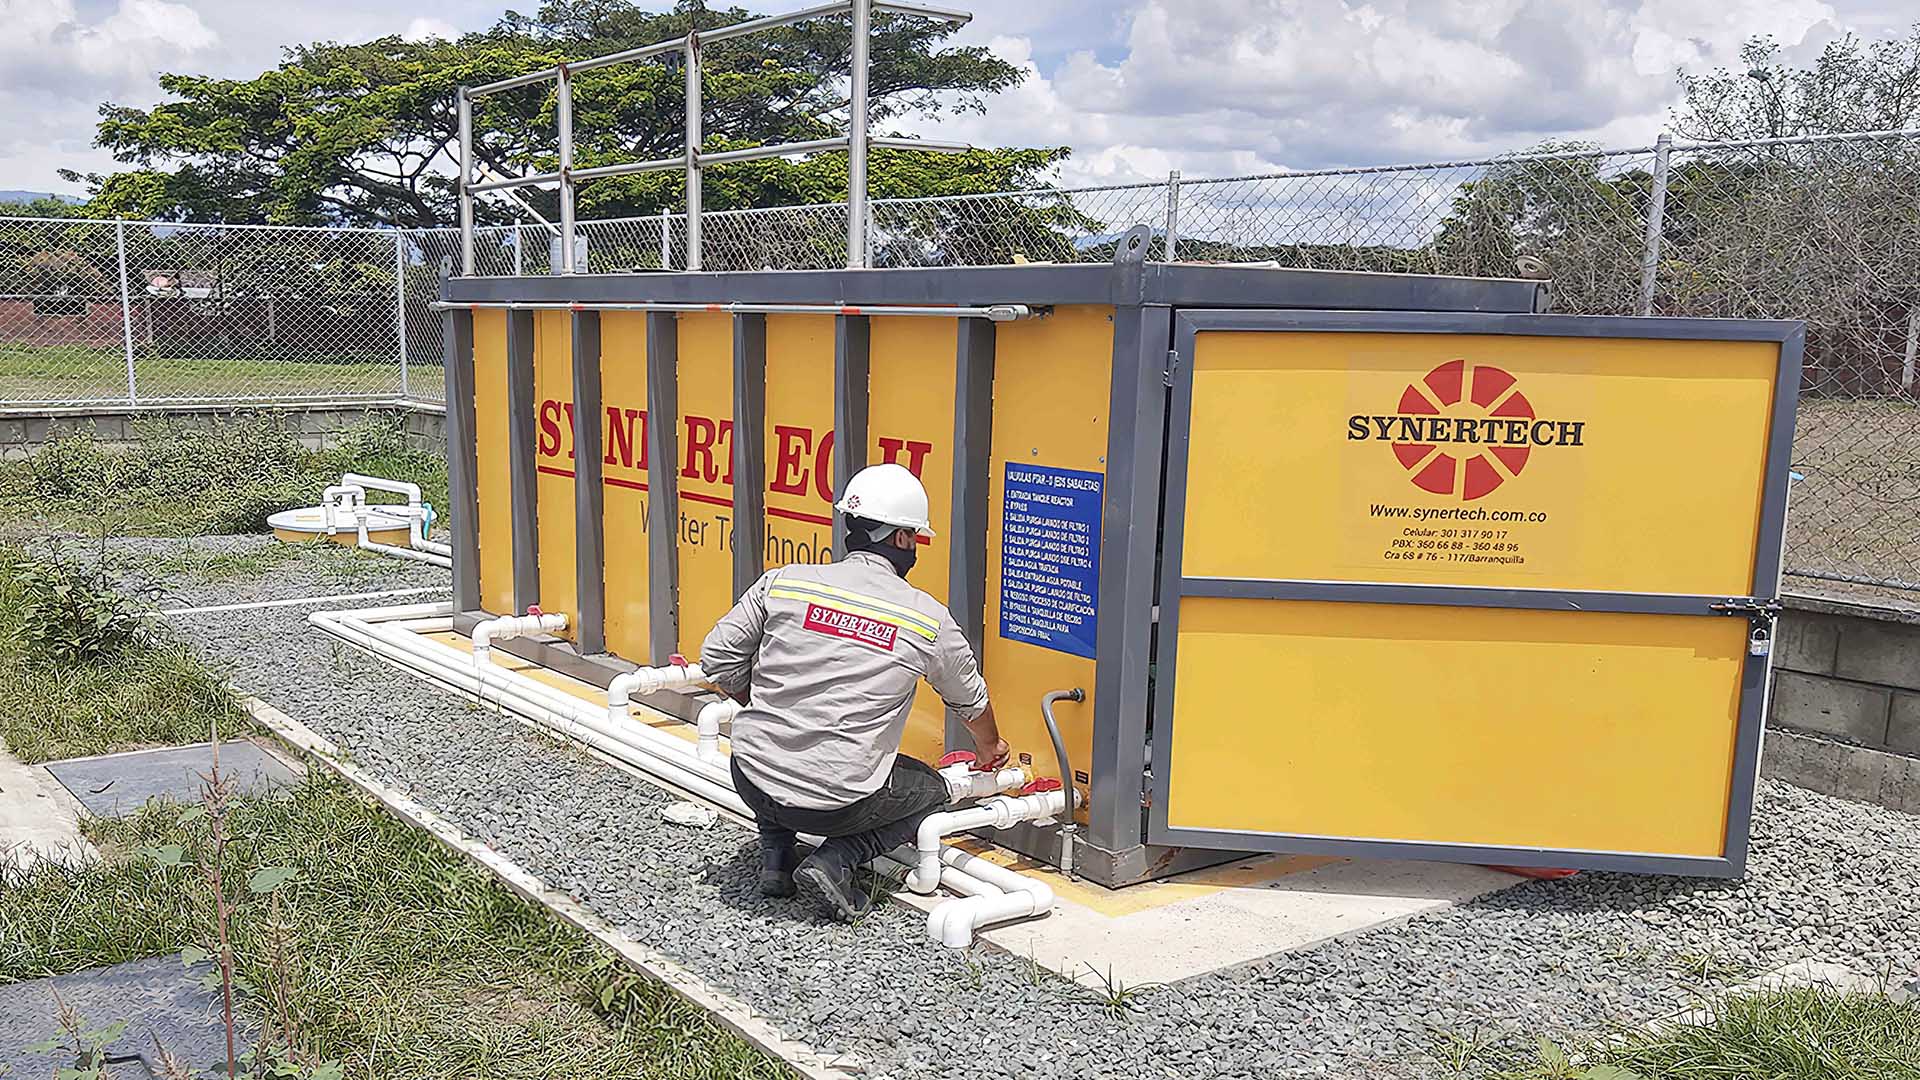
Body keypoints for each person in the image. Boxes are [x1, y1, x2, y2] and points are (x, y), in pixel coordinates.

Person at [698, 462, 1006, 921]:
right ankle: (836, 860)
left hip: (750, 776)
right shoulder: (926, 618)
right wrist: (990, 748)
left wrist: (763, 704)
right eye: (916, 539)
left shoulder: (784, 582)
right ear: (902, 539)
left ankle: (777, 859)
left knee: (780, 751)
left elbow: (717, 658)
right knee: (932, 790)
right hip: (837, 806)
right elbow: (970, 701)